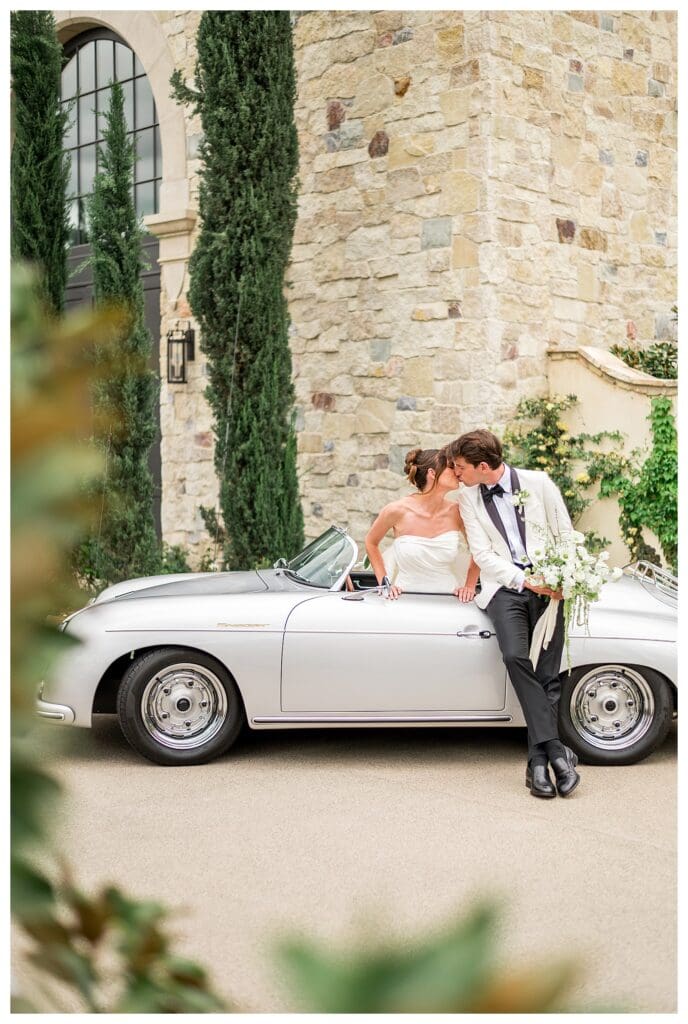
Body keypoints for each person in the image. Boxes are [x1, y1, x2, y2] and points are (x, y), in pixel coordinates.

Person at [446, 428, 581, 799]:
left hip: (552, 586)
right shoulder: (468, 498)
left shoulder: (539, 483)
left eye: (460, 467)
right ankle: (557, 752)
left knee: (548, 674)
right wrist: (526, 581)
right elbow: (483, 554)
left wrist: (559, 577)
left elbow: (565, 533)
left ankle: (537, 765)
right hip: (505, 588)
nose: (456, 473)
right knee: (514, 656)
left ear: (483, 466)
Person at [365, 447, 480, 601]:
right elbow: (371, 543)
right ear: (432, 473)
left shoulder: (458, 512)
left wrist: (469, 586)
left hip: (450, 599)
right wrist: (384, 583)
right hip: (403, 599)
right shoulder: (396, 510)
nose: (457, 472)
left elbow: (479, 549)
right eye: (451, 467)